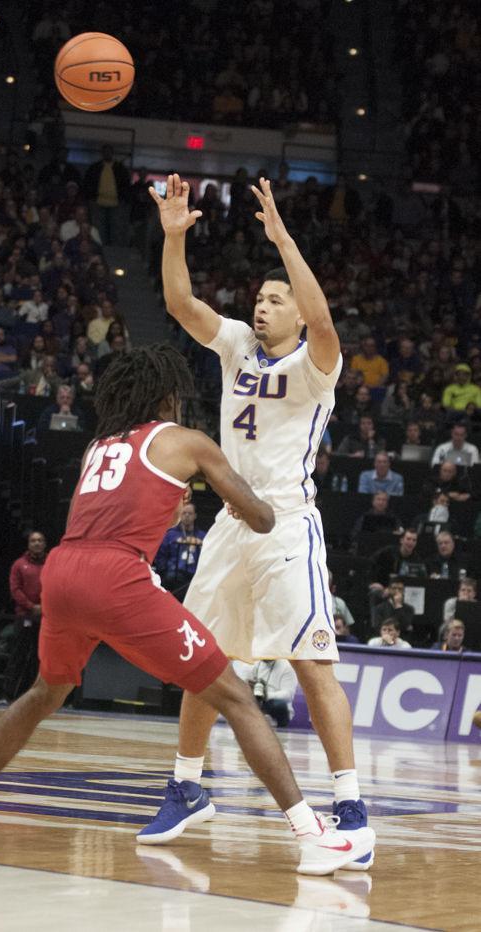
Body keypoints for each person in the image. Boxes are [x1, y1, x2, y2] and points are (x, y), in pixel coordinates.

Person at [0, 344, 374, 875]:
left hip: (64, 572)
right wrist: (246, 499)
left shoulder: (100, 446)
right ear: (166, 395)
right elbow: (260, 519)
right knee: (235, 698)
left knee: (46, 691)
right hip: (117, 578)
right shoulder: (187, 442)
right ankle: (312, 832)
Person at [143, 174, 374, 866]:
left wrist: (282, 240)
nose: (263, 305)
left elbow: (327, 323)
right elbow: (180, 304)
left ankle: (352, 807)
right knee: (200, 663)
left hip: (287, 526)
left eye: (277, 299)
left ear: (297, 313)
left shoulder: (316, 365)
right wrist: (174, 236)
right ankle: (187, 787)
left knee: (311, 664)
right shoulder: (239, 344)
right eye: (261, 296)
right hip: (230, 527)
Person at [6, 531, 47, 700]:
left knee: (40, 658)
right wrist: (31, 606)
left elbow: (55, 585)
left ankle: (35, 696)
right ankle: (9, 695)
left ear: (44, 544)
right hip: (24, 617)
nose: (37, 543)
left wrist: (44, 606)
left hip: (45, 617)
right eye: (33, 541)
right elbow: (15, 589)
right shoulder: (19, 564)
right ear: (29, 544)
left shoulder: (51, 563)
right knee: (19, 655)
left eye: (40, 540)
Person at [154, 499, 207, 596]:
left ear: (195, 516)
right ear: (180, 514)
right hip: (172, 577)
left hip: (193, 578)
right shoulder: (169, 534)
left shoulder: (203, 536)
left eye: (190, 513)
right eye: (184, 513)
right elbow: (161, 555)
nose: (187, 516)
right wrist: (163, 572)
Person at [233, 659, 298, 727]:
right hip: (254, 702)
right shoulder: (252, 662)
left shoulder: (287, 666)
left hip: (274, 706)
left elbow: (288, 695)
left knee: (279, 705)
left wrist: (266, 695)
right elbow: (242, 684)